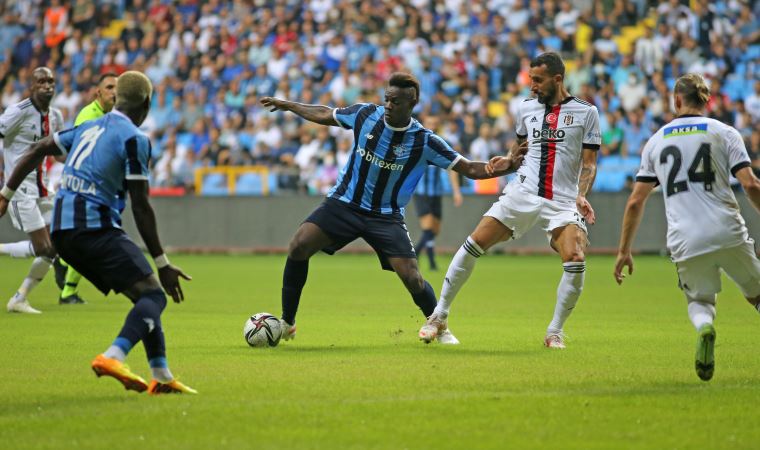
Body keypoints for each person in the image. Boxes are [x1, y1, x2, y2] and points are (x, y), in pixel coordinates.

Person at [260, 72, 525, 345]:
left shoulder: (424, 140)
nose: (388, 105)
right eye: (387, 99)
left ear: (411, 104)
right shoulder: (365, 115)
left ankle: (440, 327)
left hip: (385, 217)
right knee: (299, 244)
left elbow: (468, 167)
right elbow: (326, 113)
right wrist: (291, 105)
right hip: (344, 203)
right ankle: (287, 322)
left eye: (395, 102)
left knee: (412, 277)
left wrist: (503, 167)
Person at [0, 71, 196, 394]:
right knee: (154, 294)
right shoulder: (135, 139)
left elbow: (37, 149)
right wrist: (163, 263)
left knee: (142, 294)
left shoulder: (88, 126)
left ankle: (161, 377)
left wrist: (5, 194)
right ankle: (112, 356)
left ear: (117, 99)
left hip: (62, 232)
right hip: (93, 227)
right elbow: (142, 206)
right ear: (146, 105)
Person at [419, 52, 601, 349]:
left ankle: (554, 331)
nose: (532, 87)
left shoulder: (587, 112)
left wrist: (582, 194)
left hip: (564, 199)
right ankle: (439, 316)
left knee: (576, 258)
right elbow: (518, 153)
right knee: (474, 242)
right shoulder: (526, 108)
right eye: (531, 80)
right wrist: (505, 162)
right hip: (524, 191)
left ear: (558, 80)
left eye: (538, 81)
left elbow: (590, 163)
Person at [614, 73, 760, 382]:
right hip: (728, 229)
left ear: (677, 100)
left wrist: (624, 250)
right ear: (706, 101)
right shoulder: (725, 132)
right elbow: (750, 184)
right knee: (757, 295)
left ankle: (705, 327)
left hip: (685, 239)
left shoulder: (656, 141)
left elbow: (635, 202)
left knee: (700, 301)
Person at [0, 67, 64, 313]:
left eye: (51, 81)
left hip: (43, 188)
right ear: (32, 86)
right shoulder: (18, 111)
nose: (48, 85)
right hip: (19, 190)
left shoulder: (55, 116)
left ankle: (19, 298)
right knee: (44, 249)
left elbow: (58, 155)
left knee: (56, 245)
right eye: (42, 81)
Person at [52, 72, 118, 305]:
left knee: (88, 239)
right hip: (83, 187)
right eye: (109, 87)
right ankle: (66, 284)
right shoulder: (88, 116)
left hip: (100, 188)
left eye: (117, 87)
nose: (114, 91)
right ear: (97, 92)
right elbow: (81, 152)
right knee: (88, 237)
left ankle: (64, 274)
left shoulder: (115, 117)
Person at [413, 165, 462, 271]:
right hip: (421, 195)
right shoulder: (419, 149)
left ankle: (419, 256)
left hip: (437, 194)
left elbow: (452, 168)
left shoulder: (441, 150)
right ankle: (428, 262)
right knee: (428, 228)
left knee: (434, 230)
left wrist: (456, 191)